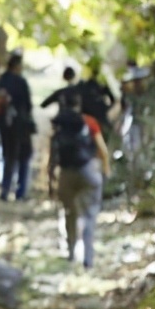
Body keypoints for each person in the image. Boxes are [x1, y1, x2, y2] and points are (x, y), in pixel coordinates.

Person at [47, 94, 110, 268]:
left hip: (66, 173)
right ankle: (88, 259)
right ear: (78, 104)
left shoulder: (58, 124)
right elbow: (103, 150)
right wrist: (105, 171)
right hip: (88, 171)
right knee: (89, 215)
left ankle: (70, 252)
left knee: (69, 213)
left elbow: (52, 156)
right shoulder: (89, 122)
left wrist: (50, 181)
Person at [0, 52, 34, 201]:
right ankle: (20, 192)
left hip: (4, 126)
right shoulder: (20, 82)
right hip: (20, 126)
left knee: (7, 157)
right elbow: (28, 105)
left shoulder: (1, 81)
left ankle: (5, 190)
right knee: (24, 157)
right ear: (17, 66)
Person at [77, 60, 117, 134]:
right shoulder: (99, 85)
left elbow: (112, 99)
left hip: (91, 115)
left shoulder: (84, 86)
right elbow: (112, 99)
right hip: (95, 115)